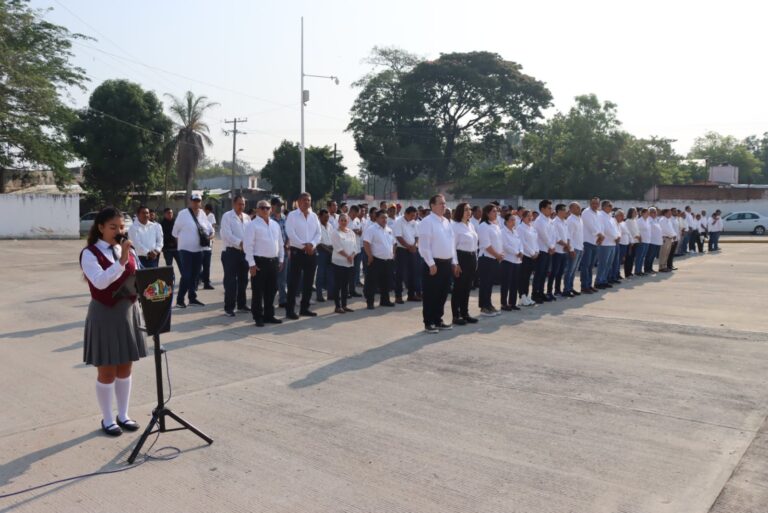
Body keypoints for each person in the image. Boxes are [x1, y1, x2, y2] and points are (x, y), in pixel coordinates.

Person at [80, 207, 146, 436]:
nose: (119, 232)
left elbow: (138, 275)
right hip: (105, 314)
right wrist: (122, 261)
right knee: (107, 370)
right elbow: (99, 282)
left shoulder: (124, 249)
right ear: (100, 227)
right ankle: (108, 418)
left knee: (125, 367)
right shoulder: (89, 253)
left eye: (121, 227)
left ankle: (123, 414)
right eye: (113, 227)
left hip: (127, 312)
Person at [417, 194, 459, 332]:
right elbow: (424, 246)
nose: (444, 206)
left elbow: (451, 243)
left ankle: (438, 319)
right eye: (441, 203)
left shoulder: (446, 222)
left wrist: (454, 261)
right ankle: (429, 322)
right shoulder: (427, 222)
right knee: (431, 294)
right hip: (434, 263)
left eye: (444, 203)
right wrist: (430, 263)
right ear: (432, 205)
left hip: (447, 263)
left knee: (443, 293)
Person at [244, 200, 284, 327]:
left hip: (273, 261)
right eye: (262, 208)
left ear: (270, 209)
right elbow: (248, 246)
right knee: (258, 291)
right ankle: (258, 316)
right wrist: (251, 264)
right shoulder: (252, 225)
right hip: (259, 262)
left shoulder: (275, 224)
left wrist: (281, 259)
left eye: (267, 208)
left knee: (271, 291)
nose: (265, 210)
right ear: (257, 210)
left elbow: (280, 243)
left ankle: (269, 315)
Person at [172, 193, 214, 308]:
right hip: (185, 250)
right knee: (186, 275)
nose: (196, 203)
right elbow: (175, 232)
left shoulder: (203, 215)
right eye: (194, 201)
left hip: (199, 250)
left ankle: (192, 298)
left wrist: (210, 236)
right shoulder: (183, 214)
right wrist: (181, 243)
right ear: (190, 201)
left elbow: (210, 229)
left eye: (198, 201)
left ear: (201, 202)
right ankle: (180, 300)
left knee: (195, 275)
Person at [284, 192, 321, 319]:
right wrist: (304, 246)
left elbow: (318, 233)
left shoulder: (314, 216)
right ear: (298, 201)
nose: (307, 202)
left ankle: (305, 308)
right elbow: (290, 233)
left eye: (309, 200)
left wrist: (312, 244)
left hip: (311, 252)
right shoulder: (292, 216)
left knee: (309, 281)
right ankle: (290, 310)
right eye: (304, 200)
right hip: (297, 251)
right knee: (294, 282)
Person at [219, 195, 251, 317]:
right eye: (239, 204)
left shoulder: (247, 217)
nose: (241, 206)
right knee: (231, 281)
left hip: (245, 253)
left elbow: (250, 233)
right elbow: (226, 234)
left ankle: (242, 305)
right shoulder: (227, 216)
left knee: (243, 280)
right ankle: (229, 307)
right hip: (231, 252)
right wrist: (240, 243)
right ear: (234, 204)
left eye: (243, 204)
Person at [450, 202, 478, 325]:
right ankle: (456, 315)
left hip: (471, 257)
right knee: (458, 288)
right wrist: (455, 263)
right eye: (466, 209)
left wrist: (476, 259)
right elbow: (452, 247)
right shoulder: (455, 226)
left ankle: (465, 313)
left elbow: (475, 244)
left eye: (469, 209)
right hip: (461, 257)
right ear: (460, 211)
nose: (469, 211)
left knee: (467, 288)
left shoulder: (470, 225)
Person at [363, 210, 396, 310]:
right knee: (371, 282)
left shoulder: (389, 229)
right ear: (376, 218)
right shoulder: (371, 229)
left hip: (388, 260)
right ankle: (370, 302)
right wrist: (369, 256)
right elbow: (366, 243)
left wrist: (393, 254)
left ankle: (385, 300)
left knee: (386, 282)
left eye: (386, 217)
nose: (384, 220)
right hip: (376, 260)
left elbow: (394, 243)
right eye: (382, 217)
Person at [477, 203, 503, 316]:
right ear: (487, 213)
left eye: (496, 211)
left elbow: (499, 241)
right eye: (493, 211)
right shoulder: (483, 226)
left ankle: (489, 304)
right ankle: (484, 307)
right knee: (485, 284)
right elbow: (486, 245)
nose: (496, 213)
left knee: (490, 284)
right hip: (486, 258)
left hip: (495, 258)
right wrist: (497, 255)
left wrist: (500, 254)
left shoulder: (495, 225)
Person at [330, 213, 357, 314]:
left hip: (349, 263)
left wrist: (352, 256)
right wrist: (348, 256)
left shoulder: (351, 232)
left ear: (348, 221)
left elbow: (355, 246)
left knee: (346, 285)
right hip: (339, 262)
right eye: (341, 220)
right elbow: (338, 248)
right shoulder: (335, 233)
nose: (343, 222)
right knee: (338, 285)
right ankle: (337, 306)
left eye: (345, 220)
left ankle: (344, 305)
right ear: (338, 221)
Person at [393, 206, 419, 303]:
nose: (413, 217)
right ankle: (398, 296)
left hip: (412, 250)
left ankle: (411, 295)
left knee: (413, 272)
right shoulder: (399, 222)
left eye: (415, 215)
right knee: (400, 273)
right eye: (412, 215)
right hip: (402, 250)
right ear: (406, 214)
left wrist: (414, 245)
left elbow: (416, 236)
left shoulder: (414, 222)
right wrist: (409, 246)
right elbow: (398, 237)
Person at [532, 200, 555, 303]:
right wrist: (551, 246)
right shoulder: (539, 221)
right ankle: (535, 294)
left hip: (549, 250)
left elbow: (553, 235)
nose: (551, 210)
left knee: (545, 273)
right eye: (549, 208)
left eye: (551, 208)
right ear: (542, 209)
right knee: (539, 273)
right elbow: (544, 236)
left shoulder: (549, 220)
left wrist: (552, 246)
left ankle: (541, 292)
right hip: (542, 250)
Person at [580, 197, 603, 294]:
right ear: (590, 203)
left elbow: (601, 226)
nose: (595, 205)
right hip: (588, 241)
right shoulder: (586, 212)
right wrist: (599, 235)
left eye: (597, 203)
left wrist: (601, 236)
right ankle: (584, 286)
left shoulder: (598, 213)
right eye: (593, 203)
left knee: (591, 266)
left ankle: (589, 285)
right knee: (586, 265)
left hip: (596, 242)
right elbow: (590, 226)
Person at [128, 205, 163, 269]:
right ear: (138, 215)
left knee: (154, 278)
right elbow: (136, 244)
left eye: (147, 213)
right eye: (143, 213)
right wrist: (148, 253)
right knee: (143, 278)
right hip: (140, 259)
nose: (146, 215)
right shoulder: (133, 228)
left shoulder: (156, 226)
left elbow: (160, 241)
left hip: (154, 258)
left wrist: (156, 251)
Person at [500, 213, 523, 311]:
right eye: (512, 220)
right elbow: (505, 245)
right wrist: (516, 252)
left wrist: (521, 251)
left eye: (514, 220)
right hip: (508, 260)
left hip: (517, 261)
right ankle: (504, 303)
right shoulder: (502, 232)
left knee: (515, 283)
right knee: (506, 283)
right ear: (506, 221)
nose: (514, 222)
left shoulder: (515, 231)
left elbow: (520, 243)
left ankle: (512, 302)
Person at [547, 203, 570, 297]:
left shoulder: (564, 221)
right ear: (559, 211)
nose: (566, 212)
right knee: (554, 272)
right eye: (564, 210)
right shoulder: (555, 222)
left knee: (561, 272)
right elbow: (556, 237)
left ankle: (557, 290)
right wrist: (565, 245)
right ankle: (549, 291)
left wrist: (567, 245)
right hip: (557, 250)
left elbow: (568, 235)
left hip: (564, 250)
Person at [270, 197, 289, 307]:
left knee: (283, 278)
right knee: (272, 278)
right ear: (272, 206)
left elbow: (289, 233)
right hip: (272, 253)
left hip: (284, 251)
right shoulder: (269, 219)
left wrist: (287, 244)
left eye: (281, 205)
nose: (280, 207)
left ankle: (282, 300)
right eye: (278, 205)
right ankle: (269, 300)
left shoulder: (284, 218)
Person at [517, 209, 538, 307]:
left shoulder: (532, 227)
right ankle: (522, 296)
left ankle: (527, 295)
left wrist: (537, 251)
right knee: (523, 277)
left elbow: (536, 240)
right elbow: (523, 243)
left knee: (529, 278)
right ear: (523, 217)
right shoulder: (520, 228)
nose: (530, 218)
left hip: (533, 256)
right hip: (526, 256)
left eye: (531, 216)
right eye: (527, 216)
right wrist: (531, 252)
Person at [595, 200, 617, 289]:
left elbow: (615, 228)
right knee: (603, 263)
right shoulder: (600, 215)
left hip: (612, 243)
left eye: (611, 206)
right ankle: (598, 281)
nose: (611, 207)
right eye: (609, 205)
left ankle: (604, 280)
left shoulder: (611, 217)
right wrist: (615, 236)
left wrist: (617, 236)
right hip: (605, 243)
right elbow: (605, 229)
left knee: (608, 263)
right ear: (603, 207)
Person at [562, 202, 583, 297]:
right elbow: (569, 237)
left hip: (580, 247)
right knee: (570, 270)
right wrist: (571, 249)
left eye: (579, 207)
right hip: (574, 248)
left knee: (574, 270)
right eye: (577, 207)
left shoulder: (579, 219)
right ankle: (566, 289)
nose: (579, 209)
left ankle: (570, 287)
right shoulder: (570, 220)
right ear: (571, 209)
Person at [315, 209, 334, 303]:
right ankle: (319, 295)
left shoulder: (330, 226)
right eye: (325, 217)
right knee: (320, 275)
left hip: (330, 251)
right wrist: (329, 250)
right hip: (321, 252)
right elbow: (318, 243)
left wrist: (332, 250)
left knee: (330, 274)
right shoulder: (316, 226)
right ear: (320, 216)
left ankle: (330, 294)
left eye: (328, 217)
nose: (327, 218)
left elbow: (333, 239)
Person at [160, 208, 180, 280]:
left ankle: (185, 281)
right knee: (169, 267)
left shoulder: (176, 222)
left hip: (177, 248)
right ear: (165, 214)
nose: (170, 214)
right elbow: (161, 236)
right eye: (168, 213)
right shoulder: (161, 224)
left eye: (171, 213)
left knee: (182, 266)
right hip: (167, 249)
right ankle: (171, 281)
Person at [199, 204, 216, 290]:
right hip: (198, 247)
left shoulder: (209, 220)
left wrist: (210, 237)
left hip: (208, 246)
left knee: (207, 266)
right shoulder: (196, 222)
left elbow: (213, 229)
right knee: (198, 265)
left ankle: (206, 283)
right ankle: (197, 280)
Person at [613, 210, 630, 281]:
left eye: (623, 216)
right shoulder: (614, 222)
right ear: (617, 216)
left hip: (625, 243)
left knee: (619, 261)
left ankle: (617, 274)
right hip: (620, 243)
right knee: (617, 260)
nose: (623, 217)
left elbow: (627, 232)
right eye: (622, 216)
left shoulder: (622, 223)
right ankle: (615, 275)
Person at [644, 207, 662, 273]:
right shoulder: (648, 220)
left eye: (655, 212)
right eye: (653, 212)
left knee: (653, 256)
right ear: (649, 213)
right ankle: (647, 269)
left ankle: (650, 268)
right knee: (649, 256)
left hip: (657, 241)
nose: (655, 213)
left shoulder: (656, 220)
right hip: (652, 241)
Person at [623, 208, 640, 278]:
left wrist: (638, 236)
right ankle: (627, 273)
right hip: (630, 242)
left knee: (632, 258)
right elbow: (630, 231)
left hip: (635, 241)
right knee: (628, 258)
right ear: (630, 213)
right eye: (634, 212)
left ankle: (630, 272)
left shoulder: (634, 220)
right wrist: (636, 236)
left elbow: (637, 230)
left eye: (636, 212)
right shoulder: (628, 221)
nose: (636, 213)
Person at [635, 208, 651, 276]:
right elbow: (637, 231)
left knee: (643, 256)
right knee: (639, 256)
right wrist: (640, 239)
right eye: (647, 213)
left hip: (647, 240)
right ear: (643, 213)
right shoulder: (639, 221)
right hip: (642, 241)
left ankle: (640, 270)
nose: (648, 214)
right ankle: (637, 271)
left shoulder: (647, 220)